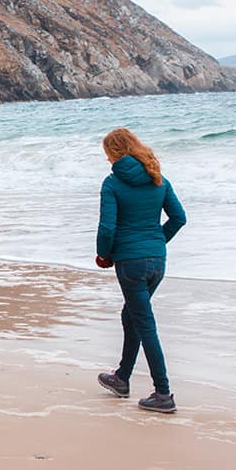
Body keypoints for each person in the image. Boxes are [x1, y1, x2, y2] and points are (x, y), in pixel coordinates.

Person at [94, 127, 186, 413]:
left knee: (144, 322)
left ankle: (163, 393)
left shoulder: (112, 183)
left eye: (108, 154)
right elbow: (179, 218)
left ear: (116, 153)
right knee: (131, 314)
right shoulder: (158, 178)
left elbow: (108, 227)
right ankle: (122, 378)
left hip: (130, 262)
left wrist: (104, 255)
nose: (107, 160)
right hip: (157, 260)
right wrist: (157, 240)